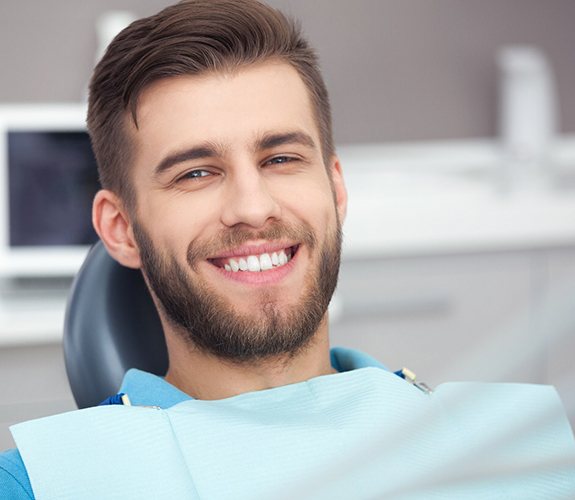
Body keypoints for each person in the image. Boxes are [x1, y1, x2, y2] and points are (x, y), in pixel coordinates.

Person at [1, 1, 574, 498]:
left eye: (280, 159)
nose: (253, 208)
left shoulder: (525, 453)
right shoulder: (43, 483)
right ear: (121, 228)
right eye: (197, 172)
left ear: (336, 187)